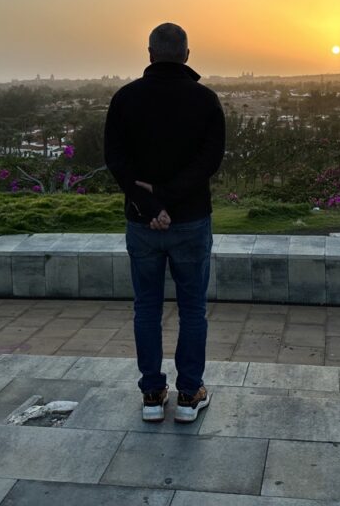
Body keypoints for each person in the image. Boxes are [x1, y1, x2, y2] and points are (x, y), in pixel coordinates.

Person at [104, 22, 225, 423]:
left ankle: (153, 394)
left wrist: (149, 203)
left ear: (150, 54)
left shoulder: (125, 99)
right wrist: (169, 200)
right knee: (192, 310)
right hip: (189, 220)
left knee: (146, 309)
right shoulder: (205, 100)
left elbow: (116, 160)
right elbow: (209, 162)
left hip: (141, 223)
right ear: (187, 55)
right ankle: (189, 394)